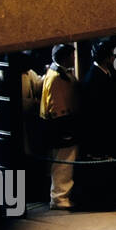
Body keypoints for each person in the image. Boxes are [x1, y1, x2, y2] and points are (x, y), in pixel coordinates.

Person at [40, 44, 79, 211]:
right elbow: (56, 106)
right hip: (61, 125)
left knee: (62, 163)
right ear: (65, 57)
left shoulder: (57, 73)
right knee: (63, 164)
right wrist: (65, 129)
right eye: (72, 55)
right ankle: (59, 198)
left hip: (60, 123)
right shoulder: (57, 77)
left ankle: (60, 196)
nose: (74, 59)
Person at [79, 39, 116, 157]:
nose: (114, 58)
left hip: (109, 129)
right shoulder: (92, 79)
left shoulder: (107, 73)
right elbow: (96, 110)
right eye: (112, 55)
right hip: (100, 131)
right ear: (106, 58)